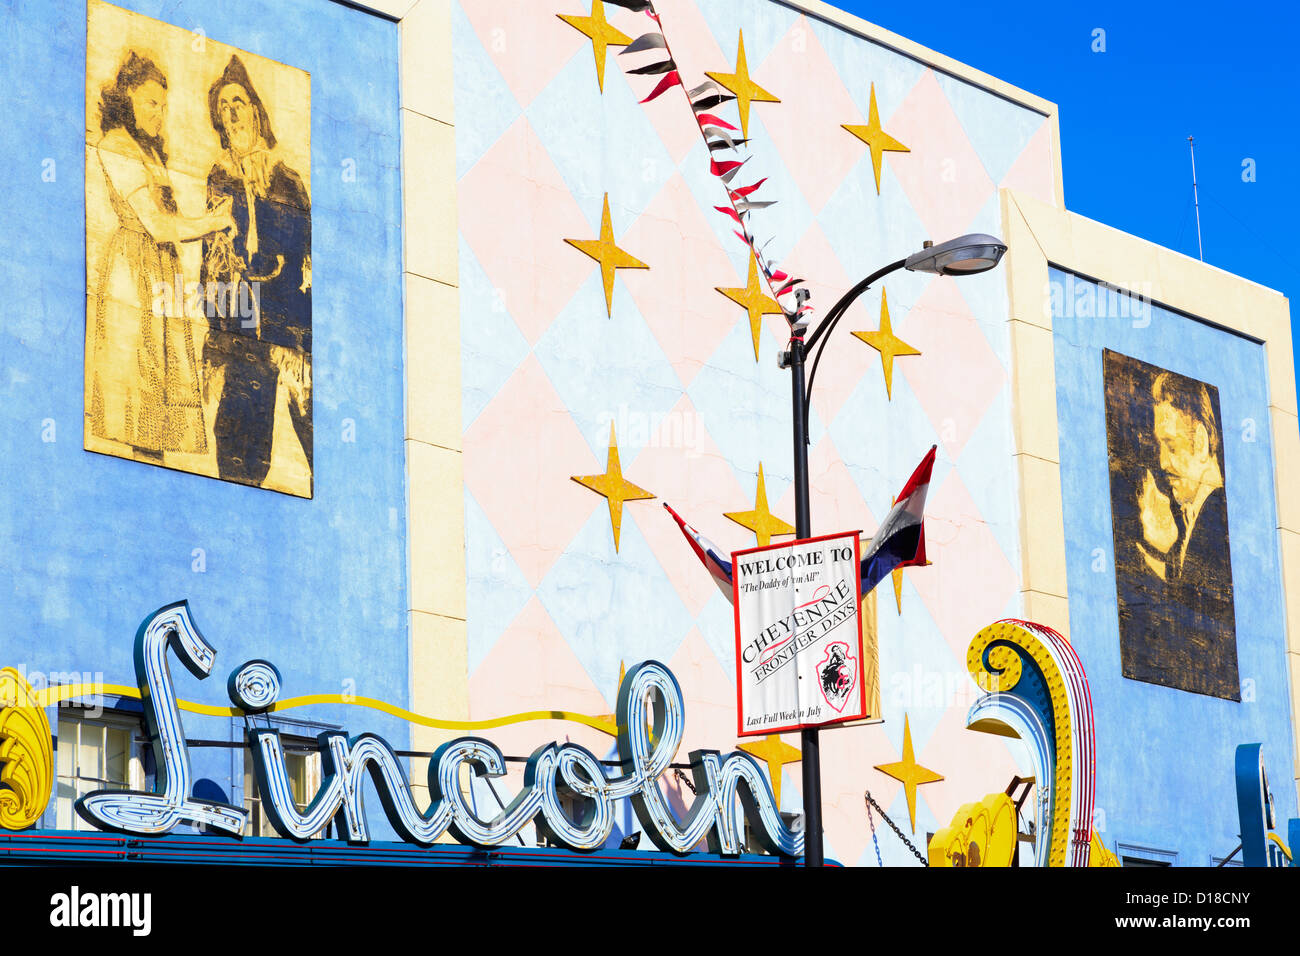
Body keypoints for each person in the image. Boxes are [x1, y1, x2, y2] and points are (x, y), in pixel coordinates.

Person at [88, 52, 234, 460]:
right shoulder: (116, 143)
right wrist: (211, 223)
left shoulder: (151, 151)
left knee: (160, 398)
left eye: (163, 105)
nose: (159, 113)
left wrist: (208, 219)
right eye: (151, 102)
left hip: (159, 273)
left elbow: (171, 224)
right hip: (132, 275)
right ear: (126, 98)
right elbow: (155, 224)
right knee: (141, 387)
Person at [200, 54, 312, 489]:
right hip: (242, 324)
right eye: (223, 107)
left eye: (238, 102)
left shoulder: (288, 180)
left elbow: (305, 259)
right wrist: (216, 328)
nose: (231, 112)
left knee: (312, 426)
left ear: (255, 111)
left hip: (290, 327)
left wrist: (301, 336)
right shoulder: (218, 177)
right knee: (238, 446)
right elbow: (213, 259)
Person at [1136, 372, 1226, 583]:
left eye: (1171, 446)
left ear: (1201, 443)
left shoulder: (1217, 524)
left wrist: (1156, 553)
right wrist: (1161, 551)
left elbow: (1200, 609)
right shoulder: (1190, 521)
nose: (1162, 462)